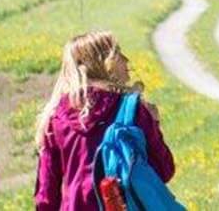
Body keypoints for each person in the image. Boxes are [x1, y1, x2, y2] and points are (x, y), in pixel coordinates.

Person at [34, 31, 176, 211]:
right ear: (104, 63)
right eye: (118, 54)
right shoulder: (132, 110)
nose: (126, 61)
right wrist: (154, 123)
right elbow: (164, 170)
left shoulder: (55, 118)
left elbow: (46, 197)